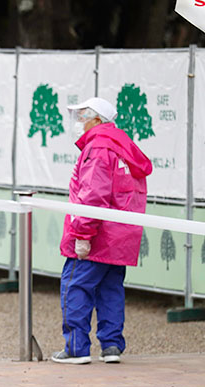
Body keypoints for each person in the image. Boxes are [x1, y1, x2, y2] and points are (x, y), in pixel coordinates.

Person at [51, 97, 151, 365]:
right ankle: (111, 347)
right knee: (111, 289)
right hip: (122, 235)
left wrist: (82, 234)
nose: (79, 122)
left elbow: (93, 195)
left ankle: (76, 348)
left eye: (83, 116)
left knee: (76, 287)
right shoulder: (122, 145)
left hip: (97, 234)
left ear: (97, 120)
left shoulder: (98, 147)